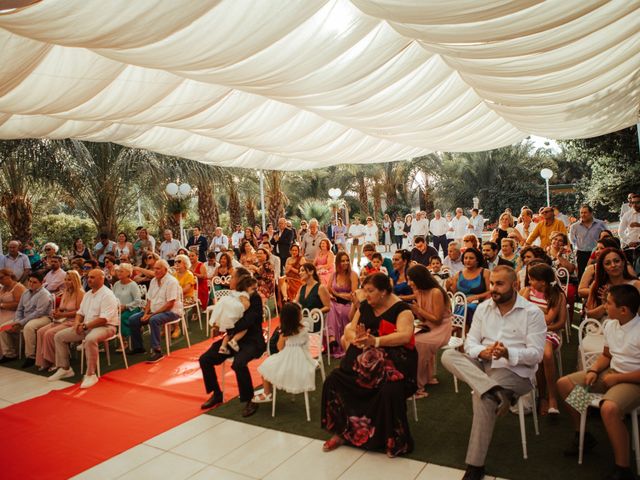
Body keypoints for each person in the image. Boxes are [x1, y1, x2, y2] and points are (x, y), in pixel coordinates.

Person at [441, 266, 546, 480]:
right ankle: (495, 391)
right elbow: (470, 341)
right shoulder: (484, 308)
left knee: (484, 399)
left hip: (515, 371)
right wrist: (483, 351)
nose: (493, 289)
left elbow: (536, 355)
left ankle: (475, 465)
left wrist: (508, 352)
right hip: (485, 364)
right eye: (492, 284)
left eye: (499, 284)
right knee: (448, 356)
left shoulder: (532, 313)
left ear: (515, 285)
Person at [321, 273, 417, 457]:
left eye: (370, 291)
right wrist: (353, 337)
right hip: (364, 360)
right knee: (334, 380)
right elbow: (350, 327)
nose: (366, 295)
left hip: (395, 361)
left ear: (383, 292)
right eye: (365, 290)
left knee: (390, 390)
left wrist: (376, 342)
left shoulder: (402, 309)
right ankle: (342, 432)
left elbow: (405, 335)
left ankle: (391, 439)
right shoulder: (365, 306)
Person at [557, 285, 640, 480]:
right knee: (564, 384)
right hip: (611, 373)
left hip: (633, 381)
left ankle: (623, 469)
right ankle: (583, 435)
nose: (604, 307)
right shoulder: (611, 324)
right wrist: (594, 370)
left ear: (624, 310)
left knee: (608, 408)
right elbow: (606, 355)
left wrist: (618, 378)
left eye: (608, 303)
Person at [199, 268, 266, 417]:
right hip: (232, 338)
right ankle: (216, 393)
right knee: (205, 359)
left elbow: (249, 321)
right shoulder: (233, 295)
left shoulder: (253, 297)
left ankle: (249, 399)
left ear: (240, 280)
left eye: (232, 277)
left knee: (238, 363)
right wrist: (219, 324)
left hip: (252, 340)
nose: (229, 280)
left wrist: (227, 326)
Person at [49, 269, 119, 388]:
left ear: (101, 279)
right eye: (88, 277)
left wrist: (85, 326)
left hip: (106, 327)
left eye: (92, 277)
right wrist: (77, 324)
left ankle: (91, 374)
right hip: (87, 326)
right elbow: (80, 313)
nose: (89, 280)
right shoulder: (87, 294)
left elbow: (104, 319)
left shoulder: (107, 295)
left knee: (91, 339)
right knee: (59, 336)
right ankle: (65, 368)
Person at [520, 263, 566, 416]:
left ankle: (551, 397)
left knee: (545, 354)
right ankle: (541, 396)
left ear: (543, 282)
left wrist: (531, 308)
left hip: (548, 332)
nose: (529, 282)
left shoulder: (556, 295)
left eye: (532, 279)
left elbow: (549, 320)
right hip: (527, 331)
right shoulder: (528, 291)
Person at [253, 302, 318, 403]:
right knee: (271, 365)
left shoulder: (284, 334)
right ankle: (268, 392)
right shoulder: (304, 328)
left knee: (265, 367)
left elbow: (279, 348)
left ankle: (267, 393)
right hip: (304, 360)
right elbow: (305, 343)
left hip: (288, 360)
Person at [407, 264, 451, 398]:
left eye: (411, 280)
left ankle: (418, 386)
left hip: (441, 328)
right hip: (428, 325)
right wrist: (416, 311)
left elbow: (437, 319)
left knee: (418, 343)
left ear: (420, 279)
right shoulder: (418, 291)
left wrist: (418, 310)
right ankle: (425, 377)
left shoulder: (436, 292)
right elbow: (423, 317)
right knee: (407, 338)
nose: (409, 283)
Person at [128, 259, 183, 363]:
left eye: (158, 268)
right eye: (154, 268)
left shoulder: (171, 281)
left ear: (165, 270)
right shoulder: (153, 280)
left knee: (154, 319)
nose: (155, 271)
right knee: (133, 319)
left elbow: (170, 304)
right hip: (154, 311)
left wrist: (151, 314)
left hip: (172, 312)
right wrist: (145, 313)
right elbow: (149, 299)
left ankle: (157, 351)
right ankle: (138, 347)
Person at [0, 272, 53, 367]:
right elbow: (20, 309)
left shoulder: (44, 294)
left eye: (34, 282)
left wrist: (21, 322)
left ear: (41, 283)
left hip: (43, 318)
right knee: (3, 328)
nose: (31, 284)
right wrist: (17, 320)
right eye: (30, 281)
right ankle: (9, 354)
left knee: (29, 327)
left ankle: (30, 357)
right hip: (26, 317)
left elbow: (38, 312)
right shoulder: (26, 292)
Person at [35, 271, 84, 371]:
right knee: (40, 331)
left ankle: (55, 361)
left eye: (69, 280)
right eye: (65, 279)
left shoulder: (80, 293)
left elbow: (80, 312)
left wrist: (62, 314)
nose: (66, 282)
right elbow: (62, 308)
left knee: (49, 333)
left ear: (75, 280)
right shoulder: (65, 291)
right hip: (63, 320)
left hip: (74, 321)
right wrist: (57, 313)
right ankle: (44, 361)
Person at [585, 248, 640, 320]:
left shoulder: (636, 285)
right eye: (608, 263)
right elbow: (589, 315)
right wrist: (606, 304)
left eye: (616, 261)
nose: (613, 265)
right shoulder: (598, 285)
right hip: (602, 328)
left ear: (623, 262)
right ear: (603, 267)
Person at [209, 275, 258, 354]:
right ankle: (234, 340)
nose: (255, 291)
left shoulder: (235, 292)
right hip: (234, 314)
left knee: (229, 332)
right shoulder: (244, 294)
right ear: (246, 288)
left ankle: (223, 347)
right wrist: (245, 310)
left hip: (227, 313)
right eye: (253, 289)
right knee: (244, 328)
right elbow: (245, 305)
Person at [326, 251, 358, 358]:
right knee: (330, 307)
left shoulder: (353, 275)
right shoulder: (334, 275)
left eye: (347, 260)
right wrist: (332, 295)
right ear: (338, 263)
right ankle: (332, 338)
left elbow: (353, 295)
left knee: (339, 310)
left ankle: (337, 340)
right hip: (334, 303)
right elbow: (328, 290)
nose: (345, 263)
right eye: (342, 261)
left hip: (348, 304)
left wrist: (336, 293)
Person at [448, 248, 491, 325]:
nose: (467, 260)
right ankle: (457, 328)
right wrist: (448, 286)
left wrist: (476, 297)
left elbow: (490, 292)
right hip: (462, 303)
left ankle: (455, 328)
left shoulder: (485, 273)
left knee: (468, 308)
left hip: (480, 303)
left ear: (477, 260)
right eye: (465, 258)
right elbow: (455, 293)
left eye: (471, 258)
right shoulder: (458, 274)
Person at [570, 205, 607, 280]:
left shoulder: (600, 224)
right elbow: (572, 240)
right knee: (582, 275)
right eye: (581, 213)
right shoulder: (575, 226)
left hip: (597, 253)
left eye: (585, 212)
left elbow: (606, 236)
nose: (583, 215)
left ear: (591, 213)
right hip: (581, 254)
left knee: (598, 274)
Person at [111, 263, 142, 349]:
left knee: (121, 318)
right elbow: (112, 298)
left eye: (121, 271)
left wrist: (125, 306)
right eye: (118, 271)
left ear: (128, 273)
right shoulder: (116, 284)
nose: (119, 273)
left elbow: (138, 301)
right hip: (118, 309)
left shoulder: (133, 285)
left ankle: (124, 342)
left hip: (132, 309)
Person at [0, 269, 26, 359]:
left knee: (2, 327)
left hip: (16, 314)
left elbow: (20, 305)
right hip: (3, 312)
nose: (0, 280)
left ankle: (8, 353)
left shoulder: (18, 287)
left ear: (9, 276)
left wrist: (2, 305)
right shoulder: (3, 288)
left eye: (1, 278)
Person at [618, 193, 640, 267]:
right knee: (631, 267)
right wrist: (628, 242)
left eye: (637, 202)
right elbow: (620, 231)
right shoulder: (627, 215)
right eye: (633, 202)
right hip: (632, 246)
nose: (634, 204)